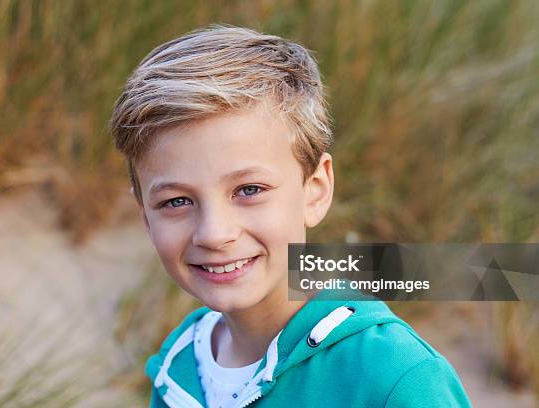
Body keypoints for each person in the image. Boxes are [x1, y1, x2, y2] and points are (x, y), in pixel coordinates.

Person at [110, 24, 471, 408]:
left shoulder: (394, 378)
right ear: (145, 216)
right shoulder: (176, 368)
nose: (214, 234)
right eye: (177, 201)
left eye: (249, 190)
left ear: (315, 191)